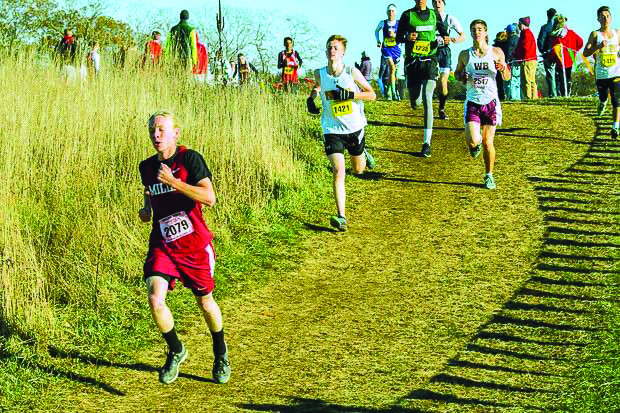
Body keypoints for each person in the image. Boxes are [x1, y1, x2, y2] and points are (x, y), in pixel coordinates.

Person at [138, 111, 231, 385]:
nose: (156, 135)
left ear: (176, 133)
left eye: (162, 130)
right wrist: (145, 210)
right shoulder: (146, 167)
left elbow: (210, 198)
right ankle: (177, 350)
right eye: (152, 130)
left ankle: (220, 351)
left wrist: (175, 183)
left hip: (194, 246)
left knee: (205, 302)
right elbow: (150, 195)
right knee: (155, 300)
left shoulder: (190, 159)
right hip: (163, 243)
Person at [306, 35, 376, 231]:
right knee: (338, 171)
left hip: (354, 128)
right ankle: (342, 217)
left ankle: (363, 153)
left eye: (336, 47)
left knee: (358, 170)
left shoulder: (351, 72)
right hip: (332, 130)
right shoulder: (320, 73)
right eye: (329, 47)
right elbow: (317, 88)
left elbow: (371, 94)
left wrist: (351, 94)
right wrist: (311, 99)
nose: (332, 50)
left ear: (343, 52)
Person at [455, 19, 511, 190]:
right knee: (473, 141)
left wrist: (502, 68)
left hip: (491, 102)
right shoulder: (465, 54)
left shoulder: (496, 52)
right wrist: (462, 77)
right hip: (473, 101)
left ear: (486, 33)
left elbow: (507, 76)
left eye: (480, 29)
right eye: (473, 29)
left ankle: (489, 175)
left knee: (488, 142)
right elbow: (457, 74)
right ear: (471, 33)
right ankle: (475, 145)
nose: (477, 32)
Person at [396, 0, 450, 157]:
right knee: (415, 103)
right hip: (413, 62)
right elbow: (398, 37)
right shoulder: (407, 15)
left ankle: (427, 143)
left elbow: (443, 32)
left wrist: (445, 38)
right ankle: (415, 99)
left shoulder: (434, 15)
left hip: (430, 61)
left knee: (427, 97)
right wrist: (407, 37)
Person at [583, 6, 620, 139]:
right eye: (602, 16)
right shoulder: (595, 34)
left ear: (611, 18)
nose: (605, 19)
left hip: (616, 73)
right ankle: (602, 102)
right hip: (602, 74)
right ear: (598, 19)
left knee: (617, 100)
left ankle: (615, 127)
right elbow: (585, 53)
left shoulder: (617, 33)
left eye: (607, 16)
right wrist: (598, 47)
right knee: (604, 97)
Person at [432, 0, 466, 120]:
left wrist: (451, 39)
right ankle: (429, 105)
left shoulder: (450, 18)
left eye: (440, 1)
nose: (437, 3)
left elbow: (463, 36)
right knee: (432, 82)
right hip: (431, 53)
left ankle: (441, 108)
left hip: (444, 52)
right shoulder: (428, 17)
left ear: (444, 3)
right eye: (434, 1)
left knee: (443, 82)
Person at [549, 15, 583, 97]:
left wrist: (551, 59)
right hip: (570, 59)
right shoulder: (571, 33)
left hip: (560, 60)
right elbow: (580, 42)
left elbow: (554, 50)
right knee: (568, 76)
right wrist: (575, 50)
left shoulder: (555, 36)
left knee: (560, 78)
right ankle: (568, 91)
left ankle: (564, 94)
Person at [375, 4, 402, 100]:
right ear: (386, 12)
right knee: (391, 68)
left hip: (396, 49)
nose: (391, 13)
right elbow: (376, 31)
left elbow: (405, 34)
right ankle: (393, 93)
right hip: (386, 49)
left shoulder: (399, 23)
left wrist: (398, 37)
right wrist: (378, 41)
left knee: (393, 72)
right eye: (389, 11)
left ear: (395, 12)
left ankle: (390, 91)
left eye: (392, 11)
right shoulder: (383, 23)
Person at [514, 16, 538, 100]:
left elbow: (525, 47)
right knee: (530, 79)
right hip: (530, 59)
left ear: (522, 24)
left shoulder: (526, 34)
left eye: (519, 24)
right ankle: (532, 96)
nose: (518, 25)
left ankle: (529, 97)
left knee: (527, 80)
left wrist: (518, 55)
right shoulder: (526, 33)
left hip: (527, 60)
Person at [538, 8, 558, 97]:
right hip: (560, 53)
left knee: (550, 74)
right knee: (559, 74)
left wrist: (543, 51)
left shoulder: (545, 27)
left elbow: (540, 40)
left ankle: (553, 94)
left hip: (548, 53)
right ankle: (560, 93)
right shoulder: (560, 27)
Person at [504, 24, 521, 101]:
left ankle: (513, 97)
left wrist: (507, 61)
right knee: (517, 80)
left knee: (512, 80)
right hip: (519, 62)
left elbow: (508, 51)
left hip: (512, 62)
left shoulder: (510, 40)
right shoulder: (518, 38)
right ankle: (518, 96)